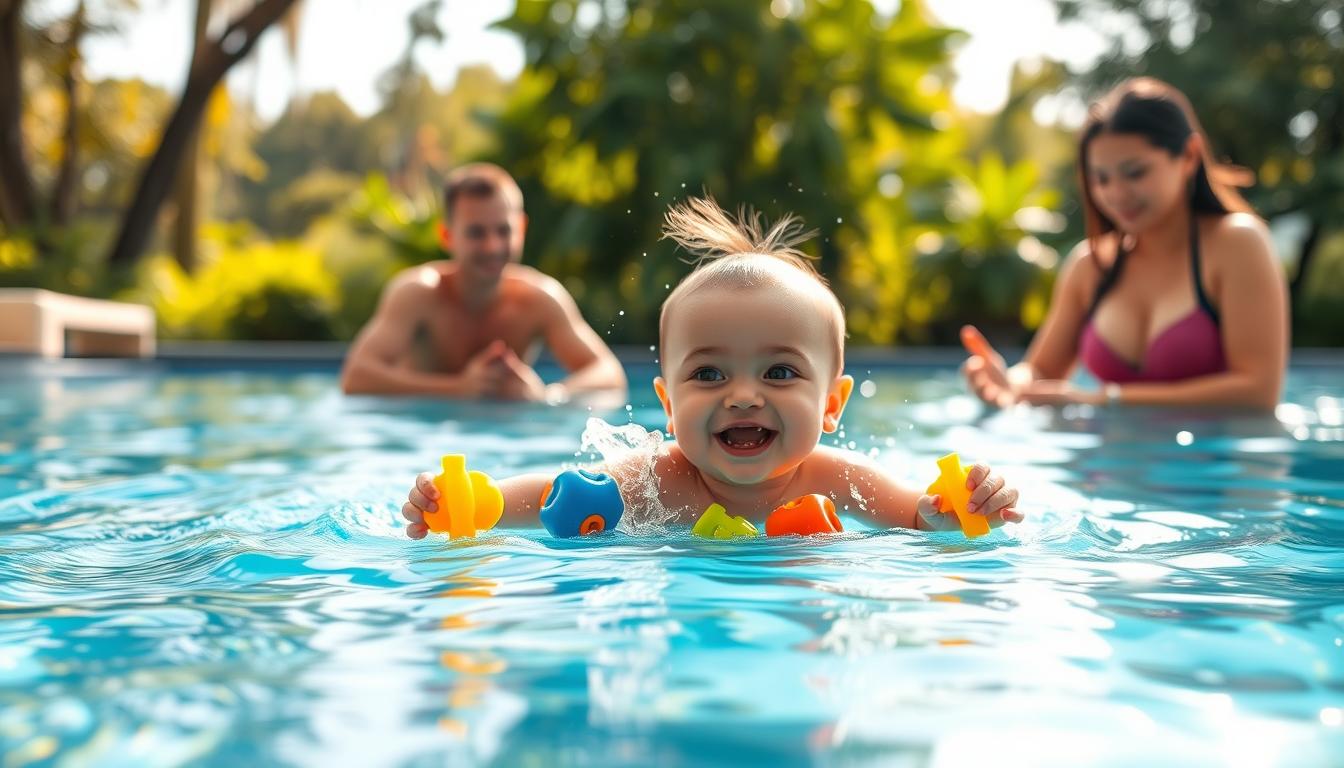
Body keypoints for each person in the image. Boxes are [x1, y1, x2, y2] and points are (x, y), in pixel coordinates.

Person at [399, 198, 1025, 538]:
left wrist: (964, 505)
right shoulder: (652, 481)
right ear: (668, 406)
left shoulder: (840, 479)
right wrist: (466, 501)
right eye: (708, 375)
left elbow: (921, 515)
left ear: (832, 405)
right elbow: (552, 495)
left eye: (780, 373)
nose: (743, 396)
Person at [962, 78, 1288, 411]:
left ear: (1189, 156)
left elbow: (1258, 392)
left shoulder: (1237, 243)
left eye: (1135, 173)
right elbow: (1041, 371)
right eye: (1101, 178)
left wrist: (1105, 399)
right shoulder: (1089, 265)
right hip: (1105, 446)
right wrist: (1006, 382)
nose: (1116, 194)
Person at [340, 162, 627, 401]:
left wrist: (548, 395)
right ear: (447, 236)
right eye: (476, 233)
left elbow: (609, 373)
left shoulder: (540, 298)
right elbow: (356, 377)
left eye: (504, 231)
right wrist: (457, 389)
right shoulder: (417, 294)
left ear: (521, 229)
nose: (492, 246)